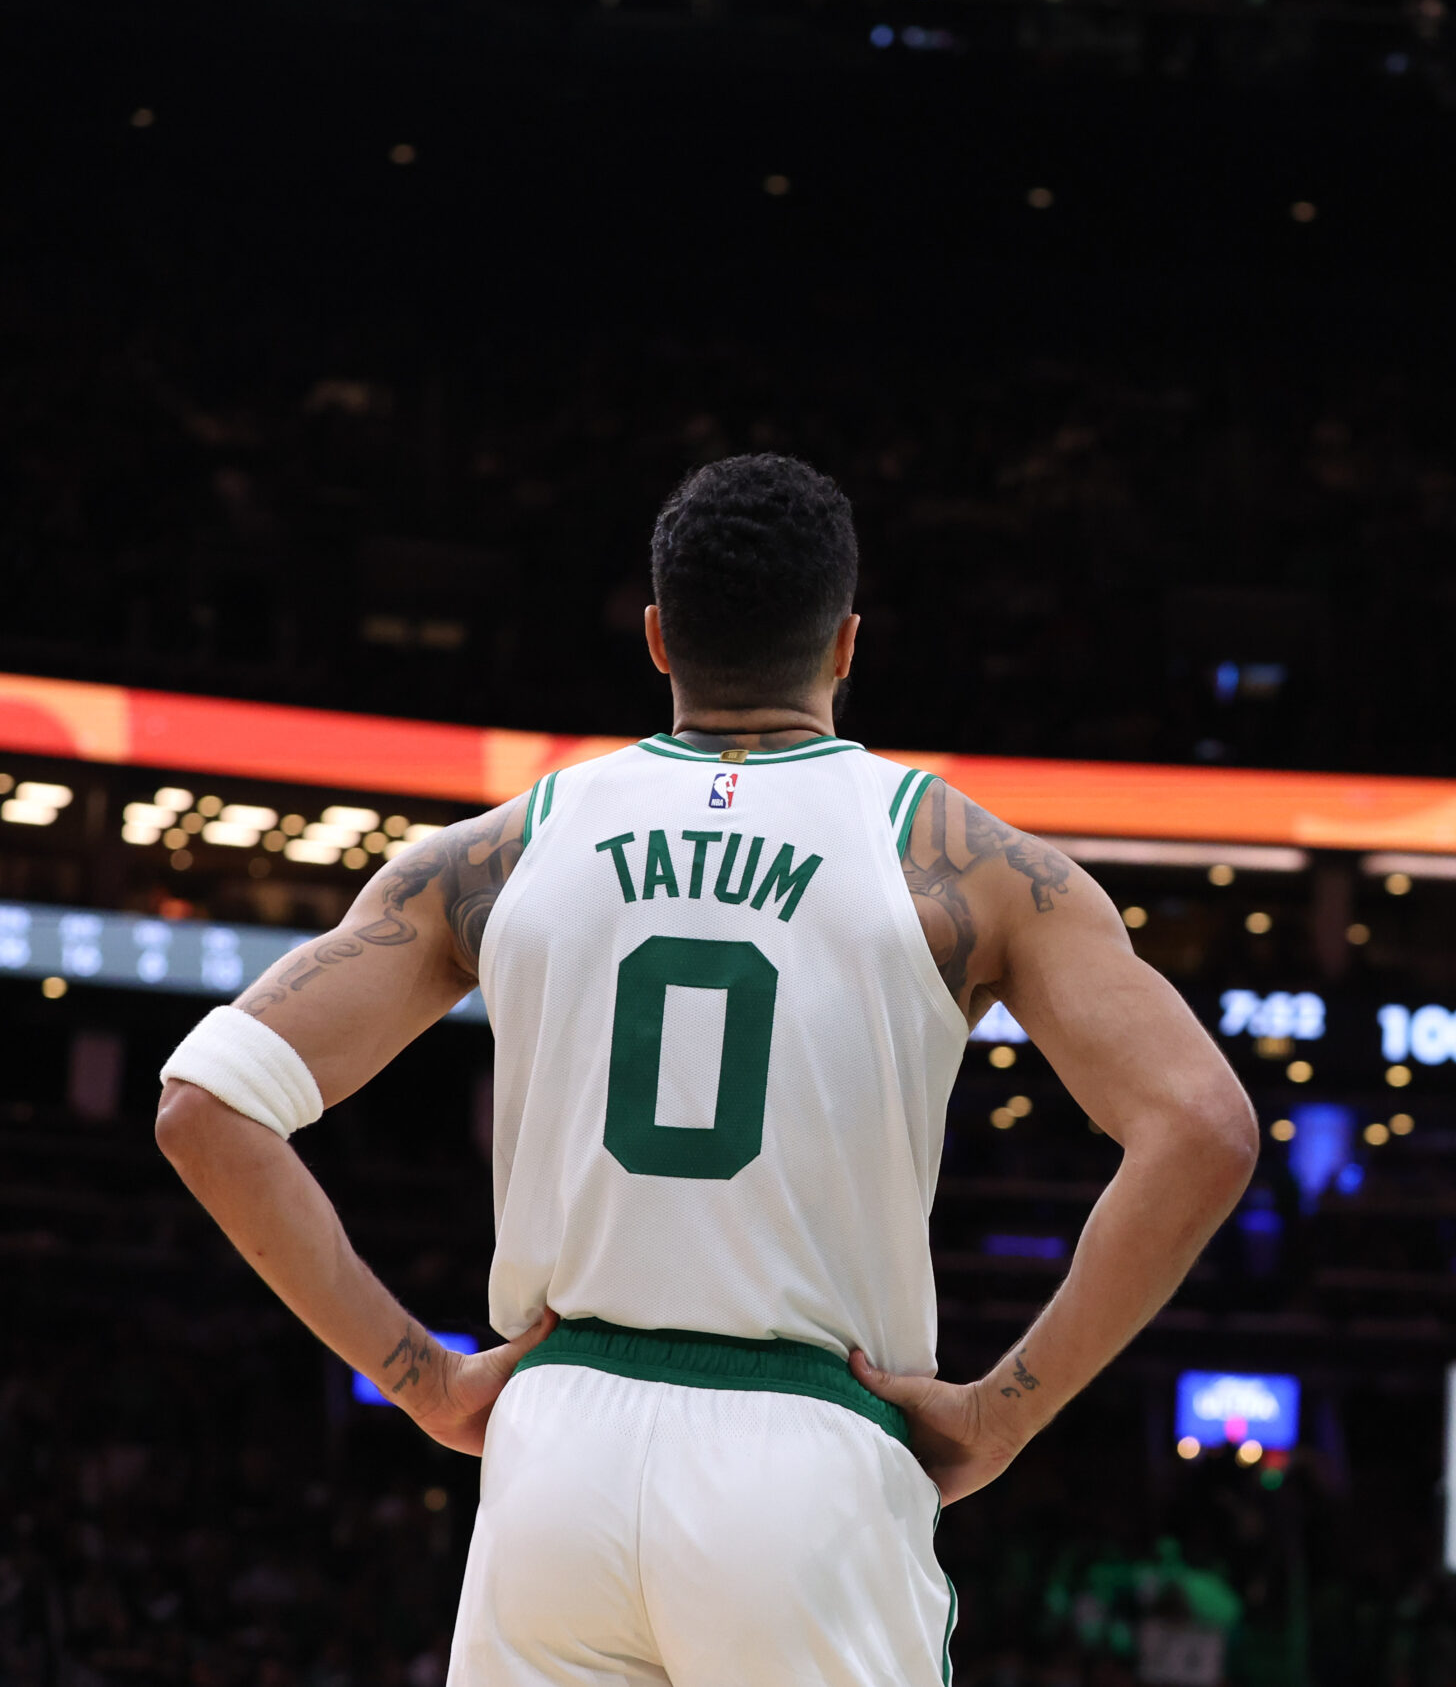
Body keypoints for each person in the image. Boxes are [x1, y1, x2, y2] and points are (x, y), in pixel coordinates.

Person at [155, 453, 1259, 1684]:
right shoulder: (963, 861)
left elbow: (206, 1109)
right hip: (806, 1460)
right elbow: (1202, 1129)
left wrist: (423, 1380)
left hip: (552, 1462)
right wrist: (1005, 1413)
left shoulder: (506, 846)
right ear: (846, 644)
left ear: (655, 638)